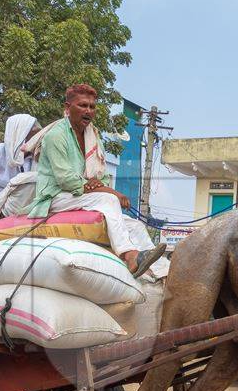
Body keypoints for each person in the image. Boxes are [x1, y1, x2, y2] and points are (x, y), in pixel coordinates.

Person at [27, 83, 168, 278]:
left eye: (92, 107)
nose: (88, 111)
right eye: (83, 106)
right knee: (108, 200)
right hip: (56, 197)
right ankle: (130, 255)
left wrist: (96, 185)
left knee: (136, 226)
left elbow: (99, 176)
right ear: (68, 108)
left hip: (84, 196)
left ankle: (163, 273)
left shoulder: (93, 135)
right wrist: (108, 191)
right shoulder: (55, 136)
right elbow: (67, 181)